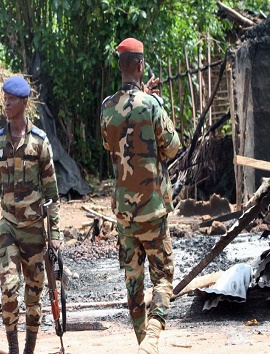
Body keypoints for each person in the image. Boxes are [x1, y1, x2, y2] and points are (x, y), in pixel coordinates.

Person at [100, 38, 180, 354]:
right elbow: (172, 147)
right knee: (163, 279)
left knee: (133, 284)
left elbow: (111, 146)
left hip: (124, 214)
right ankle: (154, 337)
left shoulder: (107, 107)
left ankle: (142, 342)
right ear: (140, 65)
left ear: (120, 67)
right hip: (153, 210)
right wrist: (149, 102)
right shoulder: (152, 105)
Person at [0, 76, 62, 354]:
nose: (6, 103)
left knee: (34, 293)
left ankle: (29, 349)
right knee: (8, 289)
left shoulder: (40, 142)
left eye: (12, 99)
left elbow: (52, 192)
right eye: (5, 98)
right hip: (9, 229)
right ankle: (14, 350)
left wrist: (54, 235)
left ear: (24, 103)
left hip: (35, 231)